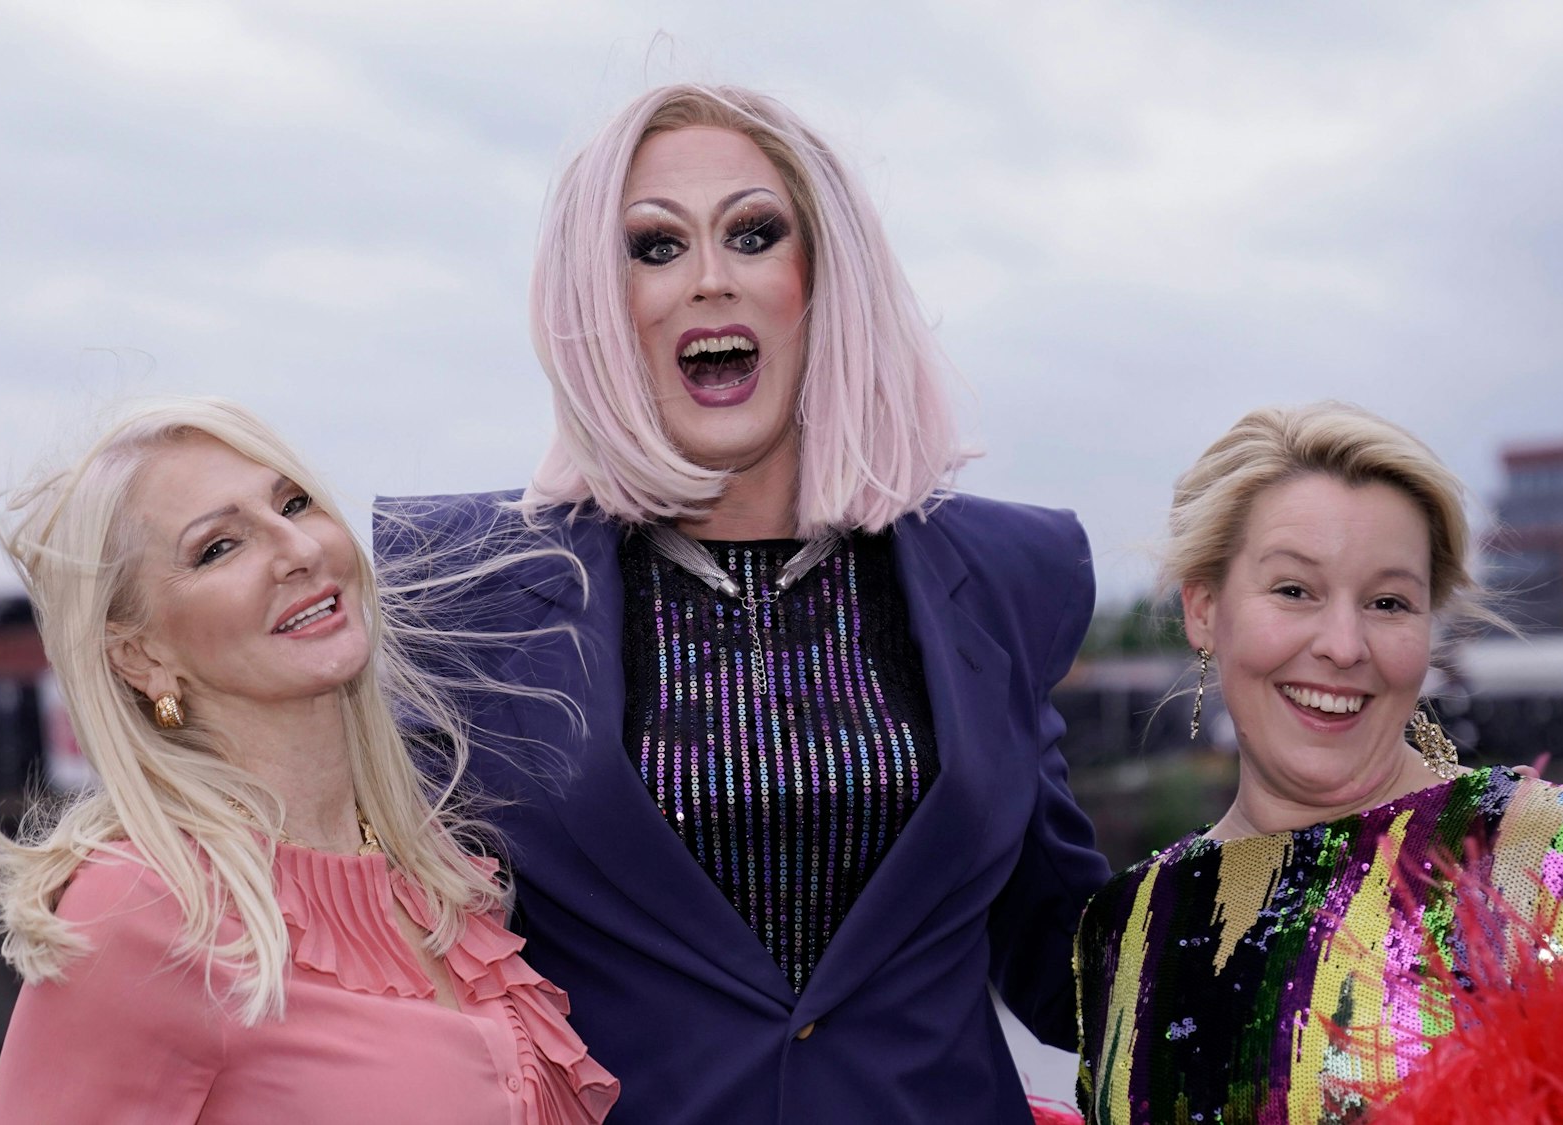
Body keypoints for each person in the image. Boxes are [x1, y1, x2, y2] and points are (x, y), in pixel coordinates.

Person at [377, 84, 1109, 1123]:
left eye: (753, 234)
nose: (709, 280)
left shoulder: (999, 569)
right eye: (654, 248)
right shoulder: (459, 591)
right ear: (594, 300)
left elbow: (1065, 958)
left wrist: (1319, 890)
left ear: (820, 279)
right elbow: (382, 971)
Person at [0, 398, 616, 1124]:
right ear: (141, 655)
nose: (300, 549)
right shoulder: (142, 910)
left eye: (295, 502)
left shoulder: (442, 876)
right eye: (219, 546)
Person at [1073, 402, 1563, 1124]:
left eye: (1388, 601)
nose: (1344, 643)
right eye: (1294, 590)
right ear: (1205, 607)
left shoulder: (1549, 859)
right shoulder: (1127, 924)